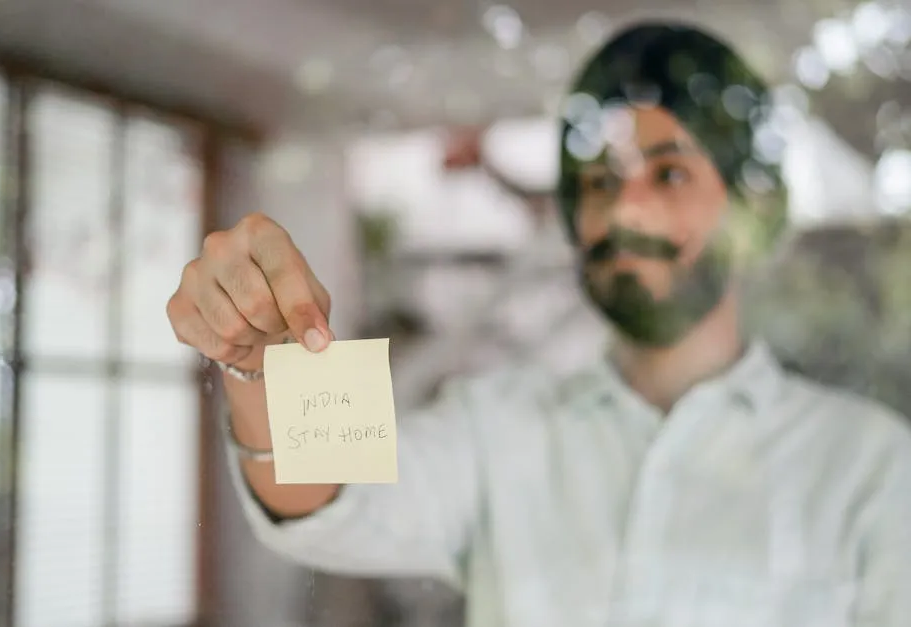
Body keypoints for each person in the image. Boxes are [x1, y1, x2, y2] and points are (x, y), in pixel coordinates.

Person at [167, 21, 911, 627]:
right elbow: (335, 503)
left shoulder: (873, 466)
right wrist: (265, 368)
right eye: (598, 180)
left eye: (670, 172)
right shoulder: (496, 425)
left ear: (758, 209)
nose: (625, 208)